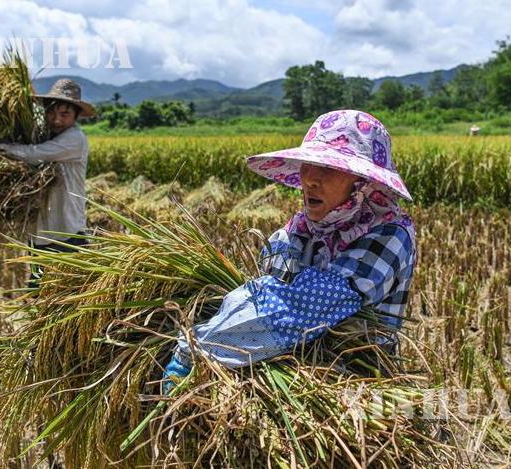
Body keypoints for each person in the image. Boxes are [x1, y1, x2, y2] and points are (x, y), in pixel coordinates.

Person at [162, 110, 416, 393]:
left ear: (363, 184)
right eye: (308, 164)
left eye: (329, 169)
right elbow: (266, 293)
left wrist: (197, 348)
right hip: (289, 361)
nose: (310, 180)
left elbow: (302, 307)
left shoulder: (390, 236)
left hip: (360, 381)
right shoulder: (296, 231)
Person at [0, 78, 97, 289]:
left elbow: (35, 154)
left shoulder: (74, 138)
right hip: (40, 234)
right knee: (39, 291)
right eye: (51, 113)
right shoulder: (42, 136)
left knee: (70, 294)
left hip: (67, 233)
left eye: (64, 114)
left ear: (77, 115)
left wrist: (1, 148)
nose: (56, 120)